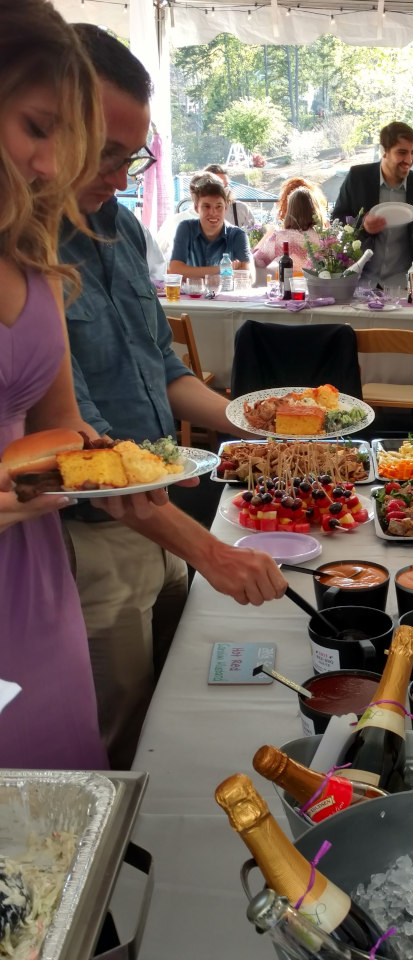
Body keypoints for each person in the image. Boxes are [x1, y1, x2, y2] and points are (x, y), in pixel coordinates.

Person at [61, 24, 286, 769]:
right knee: (117, 738)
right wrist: (208, 548)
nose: (122, 176)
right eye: (107, 154)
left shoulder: (121, 230)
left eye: (134, 155)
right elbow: (79, 438)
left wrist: (252, 423)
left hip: (161, 514)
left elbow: (161, 365)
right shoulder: (27, 259)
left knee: (177, 707)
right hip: (91, 540)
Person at [0, 0, 149, 768]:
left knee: (66, 792)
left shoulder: (31, 254)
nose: (53, 165)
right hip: (51, 548)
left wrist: (88, 456)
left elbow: (62, 427)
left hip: (35, 562)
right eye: (36, 127)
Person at [332, 121, 413, 291]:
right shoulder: (358, 178)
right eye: (402, 152)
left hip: (403, 285)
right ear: (384, 151)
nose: (409, 160)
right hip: (360, 282)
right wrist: (362, 224)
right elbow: (337, 219)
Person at [168, 172, 253, 280]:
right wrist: (222, 268)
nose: (213, 212)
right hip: (192, 295)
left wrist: (189, 272)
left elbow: (247, 277)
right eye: (206, 206)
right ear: (196, 208)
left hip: (225, 296)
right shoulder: (185, 228)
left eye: (218, 207)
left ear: (225, 208)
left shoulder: (237, 234)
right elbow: (175, 271)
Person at [253, 187, 320, 267]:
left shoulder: (279, 237)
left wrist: (267, 235)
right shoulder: (323, 239)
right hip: (314, 280)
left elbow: (257, 262)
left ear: (290, 210)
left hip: (285, 279)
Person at [204, 163, 253, 228]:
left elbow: (256, 234)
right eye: (219, 186)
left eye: (226, 186)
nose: (224, 191)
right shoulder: (192, 215)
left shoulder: (241, 209)